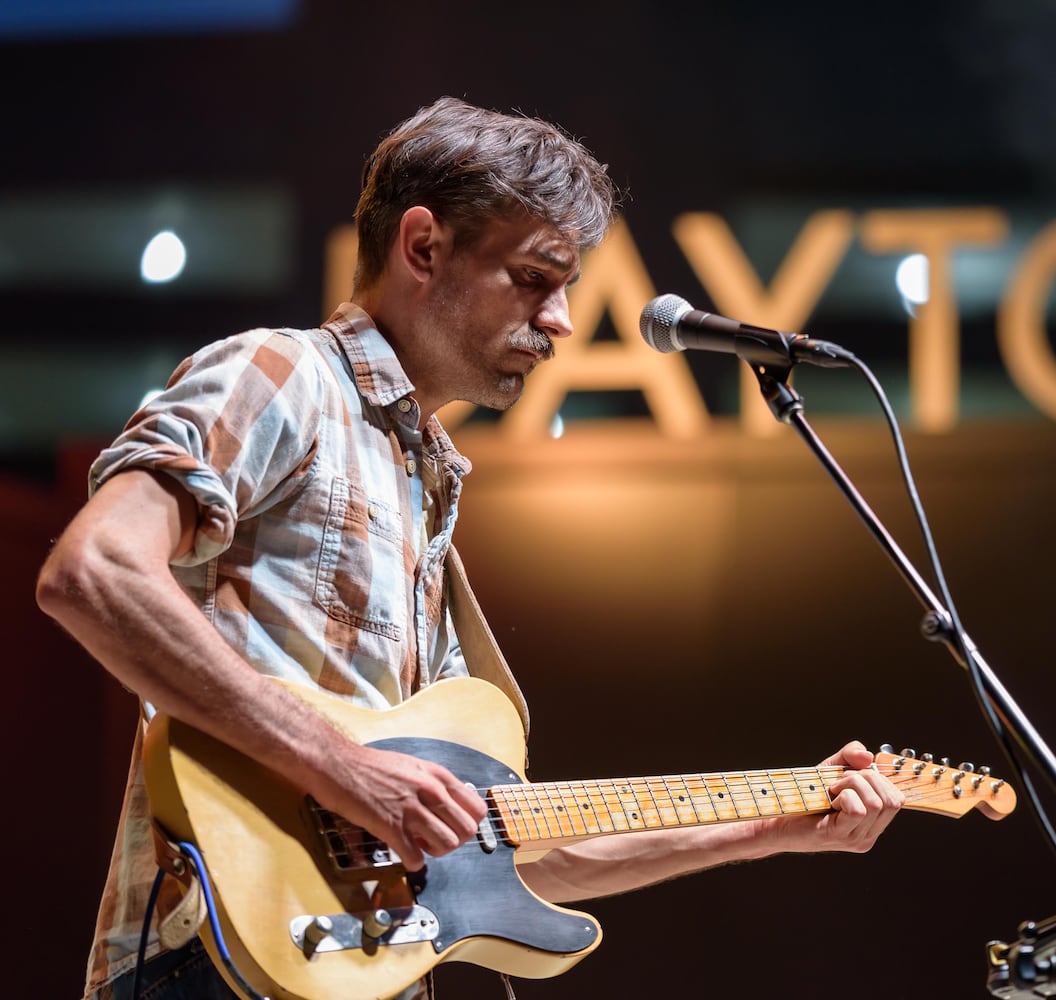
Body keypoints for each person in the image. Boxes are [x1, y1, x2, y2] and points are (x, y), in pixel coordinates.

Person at [36, 96, 904, 1000]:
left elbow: (487, 857)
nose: (563, 320)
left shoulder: (425, 486)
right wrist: (348, 769)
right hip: (208, 965)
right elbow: (92, 572)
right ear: (422, 247)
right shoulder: (283, 375)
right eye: (535, 277)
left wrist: (767, 825)